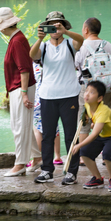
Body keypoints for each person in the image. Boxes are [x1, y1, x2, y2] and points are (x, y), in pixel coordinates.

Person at [29, 11, 84, 185]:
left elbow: (81, 41)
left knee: (70, 135)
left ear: (64, 26)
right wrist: (39, 38)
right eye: (51, 24)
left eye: (58, 24)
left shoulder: (70, 43)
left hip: (69, 95)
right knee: (48, 135)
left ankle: (71, 172)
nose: (55, 28)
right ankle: (47, 170)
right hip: (47, 96)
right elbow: (32, 55)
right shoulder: (43, 47)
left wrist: (65, 32)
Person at [0, 7, 39, 177]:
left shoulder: (17, 40)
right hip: (17, 87)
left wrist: (24, 93)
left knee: (19, 126)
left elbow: (24, 69)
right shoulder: (15, 38)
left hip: (21, 87)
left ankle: (20, 164)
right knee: (23, 124)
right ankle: (37, 157)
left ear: (5, 26)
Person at [71, 81, 111, 192]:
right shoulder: (88, 104)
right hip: (103, 133)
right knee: (85, 153)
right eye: (86, 91)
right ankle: (97, 178)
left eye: (91, 93)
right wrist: (89, 120)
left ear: (99, 98)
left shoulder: (103, 111)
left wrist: (79, 145)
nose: (87, 94)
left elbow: (94, 133)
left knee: (107, 155)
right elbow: (89, 115)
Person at [75, 17, 111, 144]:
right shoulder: (108, 45)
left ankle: (83, 155)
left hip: (87, 89)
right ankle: (106, 152)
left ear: (85, 30)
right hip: (106, 88)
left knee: (84, 122)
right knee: (105, 119)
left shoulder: (81, 46)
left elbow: (75, 66)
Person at [30, 60, 62, 171]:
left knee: (38, 129)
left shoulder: (32, 66)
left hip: (38, 99)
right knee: (55, 127)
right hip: (53, 97)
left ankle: (38, 158)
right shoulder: (50, 64)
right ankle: (57, 157)